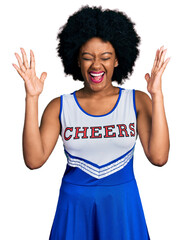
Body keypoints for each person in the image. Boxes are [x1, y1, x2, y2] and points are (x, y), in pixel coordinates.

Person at [12, 6, 170, 240]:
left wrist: (157, 95)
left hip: (122, 206)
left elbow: (159, 157)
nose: (96, 65)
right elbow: (34, 160)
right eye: (88, 57)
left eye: (105, 57)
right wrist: (32, 98)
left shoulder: (137, 101)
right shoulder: (60, 106)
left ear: (117, 60)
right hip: (74, 208)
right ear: (76, 59)